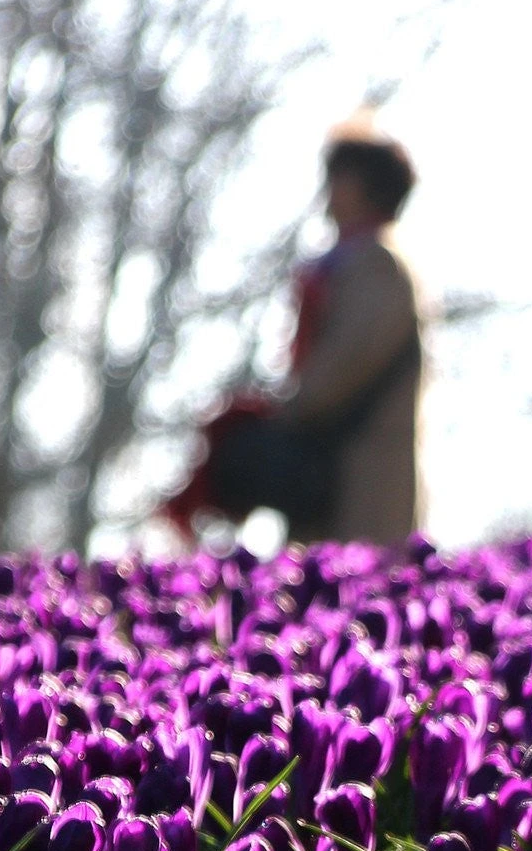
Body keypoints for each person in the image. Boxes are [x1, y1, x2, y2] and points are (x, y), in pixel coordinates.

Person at [165, 131, 426, 546]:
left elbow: (349, 362)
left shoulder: (378, 264)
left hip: (363, 472)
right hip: (328, 468)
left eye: (340, 178)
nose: (329, 191)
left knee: (361, 588)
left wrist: (286, 411)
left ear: (368, 188)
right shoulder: (347, 260)